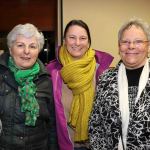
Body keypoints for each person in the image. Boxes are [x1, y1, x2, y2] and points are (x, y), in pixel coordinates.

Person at [46, 19, 113, 150]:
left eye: (82, 38)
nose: (77, 43)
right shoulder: (51, 71)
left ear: (88, 42)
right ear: (64, 40)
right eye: (72, 37)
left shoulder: (102, 70)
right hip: (64, 145)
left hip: (96, 145)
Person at [89, 18, 150, 150]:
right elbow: (95, 124)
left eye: (138, 41)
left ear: (148, 46)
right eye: (125, 42)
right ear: (119, 46)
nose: (131, 46)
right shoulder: (106, 79)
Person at [0, 23, 58, 150]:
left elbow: (52, 124)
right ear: (10, 49)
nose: (26, 51)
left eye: (32, 46)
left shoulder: (46, 80)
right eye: (20, 45)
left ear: (38, 51)